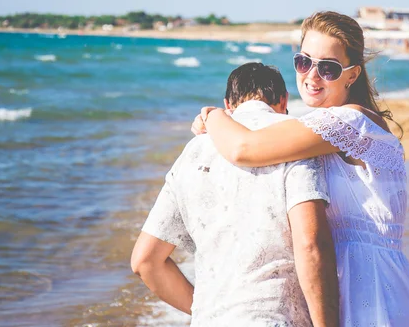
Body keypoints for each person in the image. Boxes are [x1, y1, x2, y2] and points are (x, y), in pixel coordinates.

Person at [192, 11, 409, 327]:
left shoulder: (350, 122)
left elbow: (243, 149)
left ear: (352, 74)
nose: (312, 76)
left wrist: (214, 116)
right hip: (364, 281)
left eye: (328, 68)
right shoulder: (344, 125)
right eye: (304, 62)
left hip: (368, 292)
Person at [131, 62, 339, 327]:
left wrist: (208, 312)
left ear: (228, 104)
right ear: (284, 99)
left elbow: (145, 262)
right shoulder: (294, 138)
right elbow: (310, 244)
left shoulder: (194, 151)